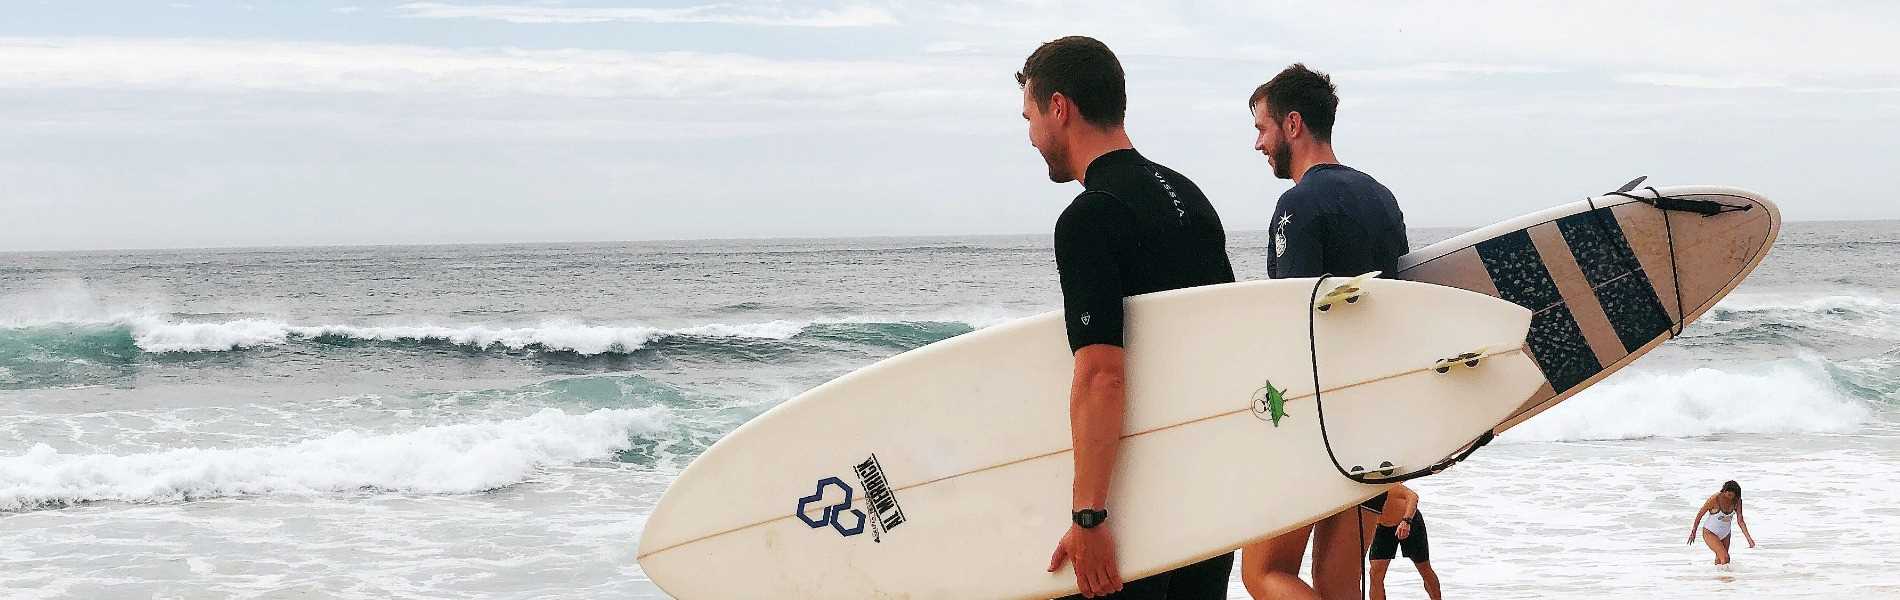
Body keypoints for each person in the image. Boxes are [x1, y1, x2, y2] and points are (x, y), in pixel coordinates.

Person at [1018, 36, 1238, 599]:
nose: (1031, 135)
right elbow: (1225, 340)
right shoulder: (1188, 196)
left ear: (1059, 108)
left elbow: (1102, 373)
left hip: (1136, 508)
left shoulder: (1090, 217)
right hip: (1209, 495)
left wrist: (1088, 517)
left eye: (1030, 116)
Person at [1236, 63, 1409, 600]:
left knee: (1264, 572)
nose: (1258, 143)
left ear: (1292, 125)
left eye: (1262, 128)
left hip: (1318, 422)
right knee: (1339, 588)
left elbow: (1294, 321)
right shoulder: (1381, 198)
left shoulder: (1298, 205)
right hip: (1377, 416)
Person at [1361, 484, 1440, 600]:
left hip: (1409, 522)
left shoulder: (1383, 485)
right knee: (1375, 574)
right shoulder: (1355, 494)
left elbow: (1413, 496)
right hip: (1382, 528)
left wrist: (1406, 521)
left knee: (1423, 567)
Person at [1686, 480, 1754, 566]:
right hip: (1710, 532)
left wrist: (1749, 539)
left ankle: (1719, 577)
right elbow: (1700, 514)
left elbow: (1740, 520)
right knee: (1725, 558)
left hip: (1726, 533)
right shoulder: (1714, 499)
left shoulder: (1737, 501)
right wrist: (1693, 532)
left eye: (1731, 495)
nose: (1728, 497)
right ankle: (1727, 578)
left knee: (1720, 560)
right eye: (1727, 493)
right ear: (1724, 491)